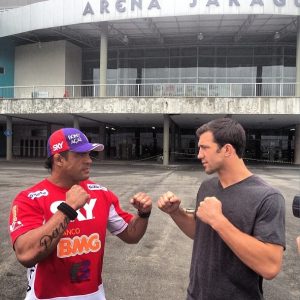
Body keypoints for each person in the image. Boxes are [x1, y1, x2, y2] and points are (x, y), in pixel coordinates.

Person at [9, 128, 152, 300]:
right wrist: (68, 208)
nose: (89, 161)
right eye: (80, 155)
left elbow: (131, 235)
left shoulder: (101, 194)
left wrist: (143, 214)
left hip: (94, 295)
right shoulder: (29, 199)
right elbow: (25, 254)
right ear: (59, 159)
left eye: (89, 154)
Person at [157, 118, 285, 300]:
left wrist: (219, 221)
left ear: (227, 150)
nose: (199, 155)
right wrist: (175, 212)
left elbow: (270, 266)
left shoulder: (268, 197)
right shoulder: (207, 187)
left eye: (205, 148)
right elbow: (199, 231)